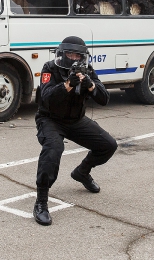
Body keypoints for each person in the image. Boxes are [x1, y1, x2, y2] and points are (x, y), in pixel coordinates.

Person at [33, 36, 116, 226]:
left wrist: (91, 85)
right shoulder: (49, 68)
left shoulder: (86, 71)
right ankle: (41, 202)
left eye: (77, 55)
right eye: (70, 54)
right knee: (53, 149)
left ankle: (82, 172)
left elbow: (104, 98)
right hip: (50, 119)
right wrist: (67, 85)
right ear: (62, 54)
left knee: (108, 145)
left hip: (76, 121)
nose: (74, 58)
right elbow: (45, 98)